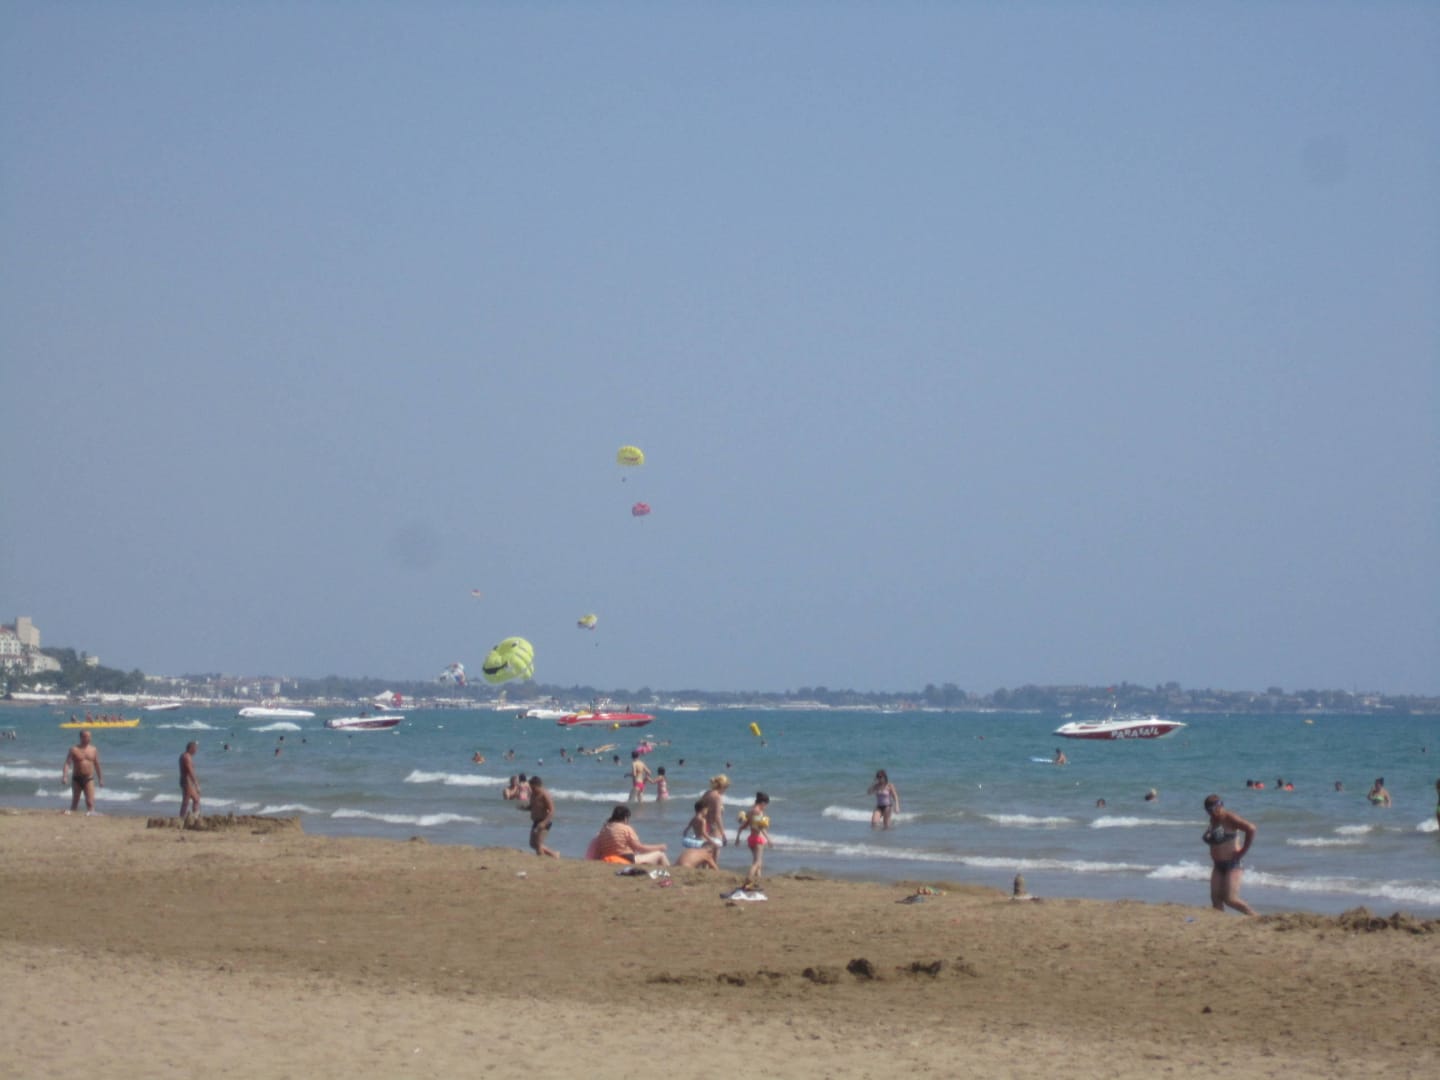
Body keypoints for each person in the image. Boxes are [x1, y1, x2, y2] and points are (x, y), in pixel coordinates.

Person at [1202, 793, 1257, 916]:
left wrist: (1243, 851)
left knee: (1231, 899)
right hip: (1218, 865)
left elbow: (1251, 828)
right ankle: (1220, 923)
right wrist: (1207, 836)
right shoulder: (1213, 819)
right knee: (1215, 899)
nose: (1211, 813)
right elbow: (1214, 835)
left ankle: (1255, 917)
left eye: (1213, 810)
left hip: (1233, 864)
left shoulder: (1230, 817)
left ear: (1220, 805)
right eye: (1208, 811)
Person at [590, 805, 669, 866]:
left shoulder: (604, 829)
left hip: (607, 859)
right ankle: (670, 875)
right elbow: (640, 848)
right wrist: (660, 847)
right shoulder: (626, 828)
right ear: (625, 818)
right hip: (625, 859)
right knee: (660, 855)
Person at [61, 730, 103, 815]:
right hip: (76, 779)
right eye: (86, 736)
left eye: (89, 736)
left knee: (90, 803)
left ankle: (91, 817)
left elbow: (97, 764)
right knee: (75, 802)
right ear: (81, 737)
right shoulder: (74, 749)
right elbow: (67, 763)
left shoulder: (93, 749)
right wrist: (65, 776)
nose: (89, 738)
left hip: (89, 778)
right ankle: (72, 818)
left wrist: (100, 779)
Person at [735, 792, 771, 885]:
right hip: (758, 839)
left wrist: (738, 838)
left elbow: (743, 826)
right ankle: (748, 880)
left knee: (758, 861)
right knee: (757, 862)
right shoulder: (758, 812)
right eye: (766, 805)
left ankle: (758, 881)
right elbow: (760, 827)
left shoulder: (750, 812)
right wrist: (769, 839)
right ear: (762, 803)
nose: (765, 807)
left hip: (751, 839)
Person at [527, 776, 559, 858]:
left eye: (533, 787)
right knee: (532, 844)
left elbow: (552, 810)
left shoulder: (545, 794)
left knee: (538, 844)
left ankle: (541, 859)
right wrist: (525, 808)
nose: (531, 789)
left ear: (538, 786)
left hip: (544, 821)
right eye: (531, 787)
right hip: (536, 821)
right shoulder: (533, 794)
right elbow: (533, 806)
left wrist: (544, 823)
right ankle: (554, 854)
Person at [701, 774, 730, 848]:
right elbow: (718, 817)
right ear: (723, 787)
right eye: (726, 788)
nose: (725, 790)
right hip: (713, 828)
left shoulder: (706, 793)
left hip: (704, 826)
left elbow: (700, 810)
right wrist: (723, 834)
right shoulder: (717, 797)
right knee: (714, 852)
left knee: (705, 851)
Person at [179, 741, 201, 818]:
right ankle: (183, 818)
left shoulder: (184, 755)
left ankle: (194, 817)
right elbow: (190, 771)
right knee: (186, 801)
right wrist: (196, 784)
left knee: (195, 799)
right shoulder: (186, 757)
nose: (196, 751)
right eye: (195, 749)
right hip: (187, 782)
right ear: (191, 748)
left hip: (186, 781)